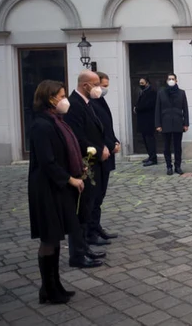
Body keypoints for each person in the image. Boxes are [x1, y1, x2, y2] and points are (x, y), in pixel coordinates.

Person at [28, 80, 85, 304]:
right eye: (61, 95)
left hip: (57, 188)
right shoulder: (41, 125)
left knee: (55, 236)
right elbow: (47, 161)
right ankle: (47, 289)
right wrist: (69, 178)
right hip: (46, 189)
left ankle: (55, 285)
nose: (65, 99)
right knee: (49, 238)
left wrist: (78, 167)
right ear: (51, 98)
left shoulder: (56, 121)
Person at [64, 71, 107, 268]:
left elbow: (96, 130)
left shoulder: (86, 103)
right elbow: (78, 138)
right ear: (85, 85)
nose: (99, 87)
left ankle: (85, 249)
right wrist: (98, 151)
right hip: (84, 164)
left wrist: (104, 146)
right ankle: (78, 254)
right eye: (96, 83)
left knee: (88, 206)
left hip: (92, 162)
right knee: (81, 210)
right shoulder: (74, 105)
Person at [89, 72, 119, 243]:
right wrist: (109, 144)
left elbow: (107, 126)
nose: (104, 89)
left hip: (107, 152)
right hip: (99, 154)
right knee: (95, 195)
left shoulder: (100, 100)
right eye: (103, 85)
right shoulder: (91, 103)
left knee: (100, 195)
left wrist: (115, 140)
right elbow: (96, 130)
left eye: (107, 85)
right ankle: (91, 231)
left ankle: (96, 226)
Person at [155, 73, 189, 175]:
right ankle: (169, 166)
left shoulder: (181, 93)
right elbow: (157, 109)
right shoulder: (161, 93)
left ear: (176, 80)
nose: (171, 80)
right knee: (167, 147)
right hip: (165, 123)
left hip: (178, 123)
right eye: (169, 79)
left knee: (178, 147)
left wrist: (186, 123)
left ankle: (177, 166)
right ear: (166, 81)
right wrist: (158, 124)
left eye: (173, 79)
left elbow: (185, 109)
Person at [134, 77, 157, 166]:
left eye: (142, 83)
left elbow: (148, 105)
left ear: (147, 83)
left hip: (149, 120)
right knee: (145, 139)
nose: (141, 85)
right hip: (143, 120)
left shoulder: (151, 92)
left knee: (150, 139)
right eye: (140, 83)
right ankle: (150, 156)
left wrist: (137, 108)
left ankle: (153, 158)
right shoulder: (142, 92)